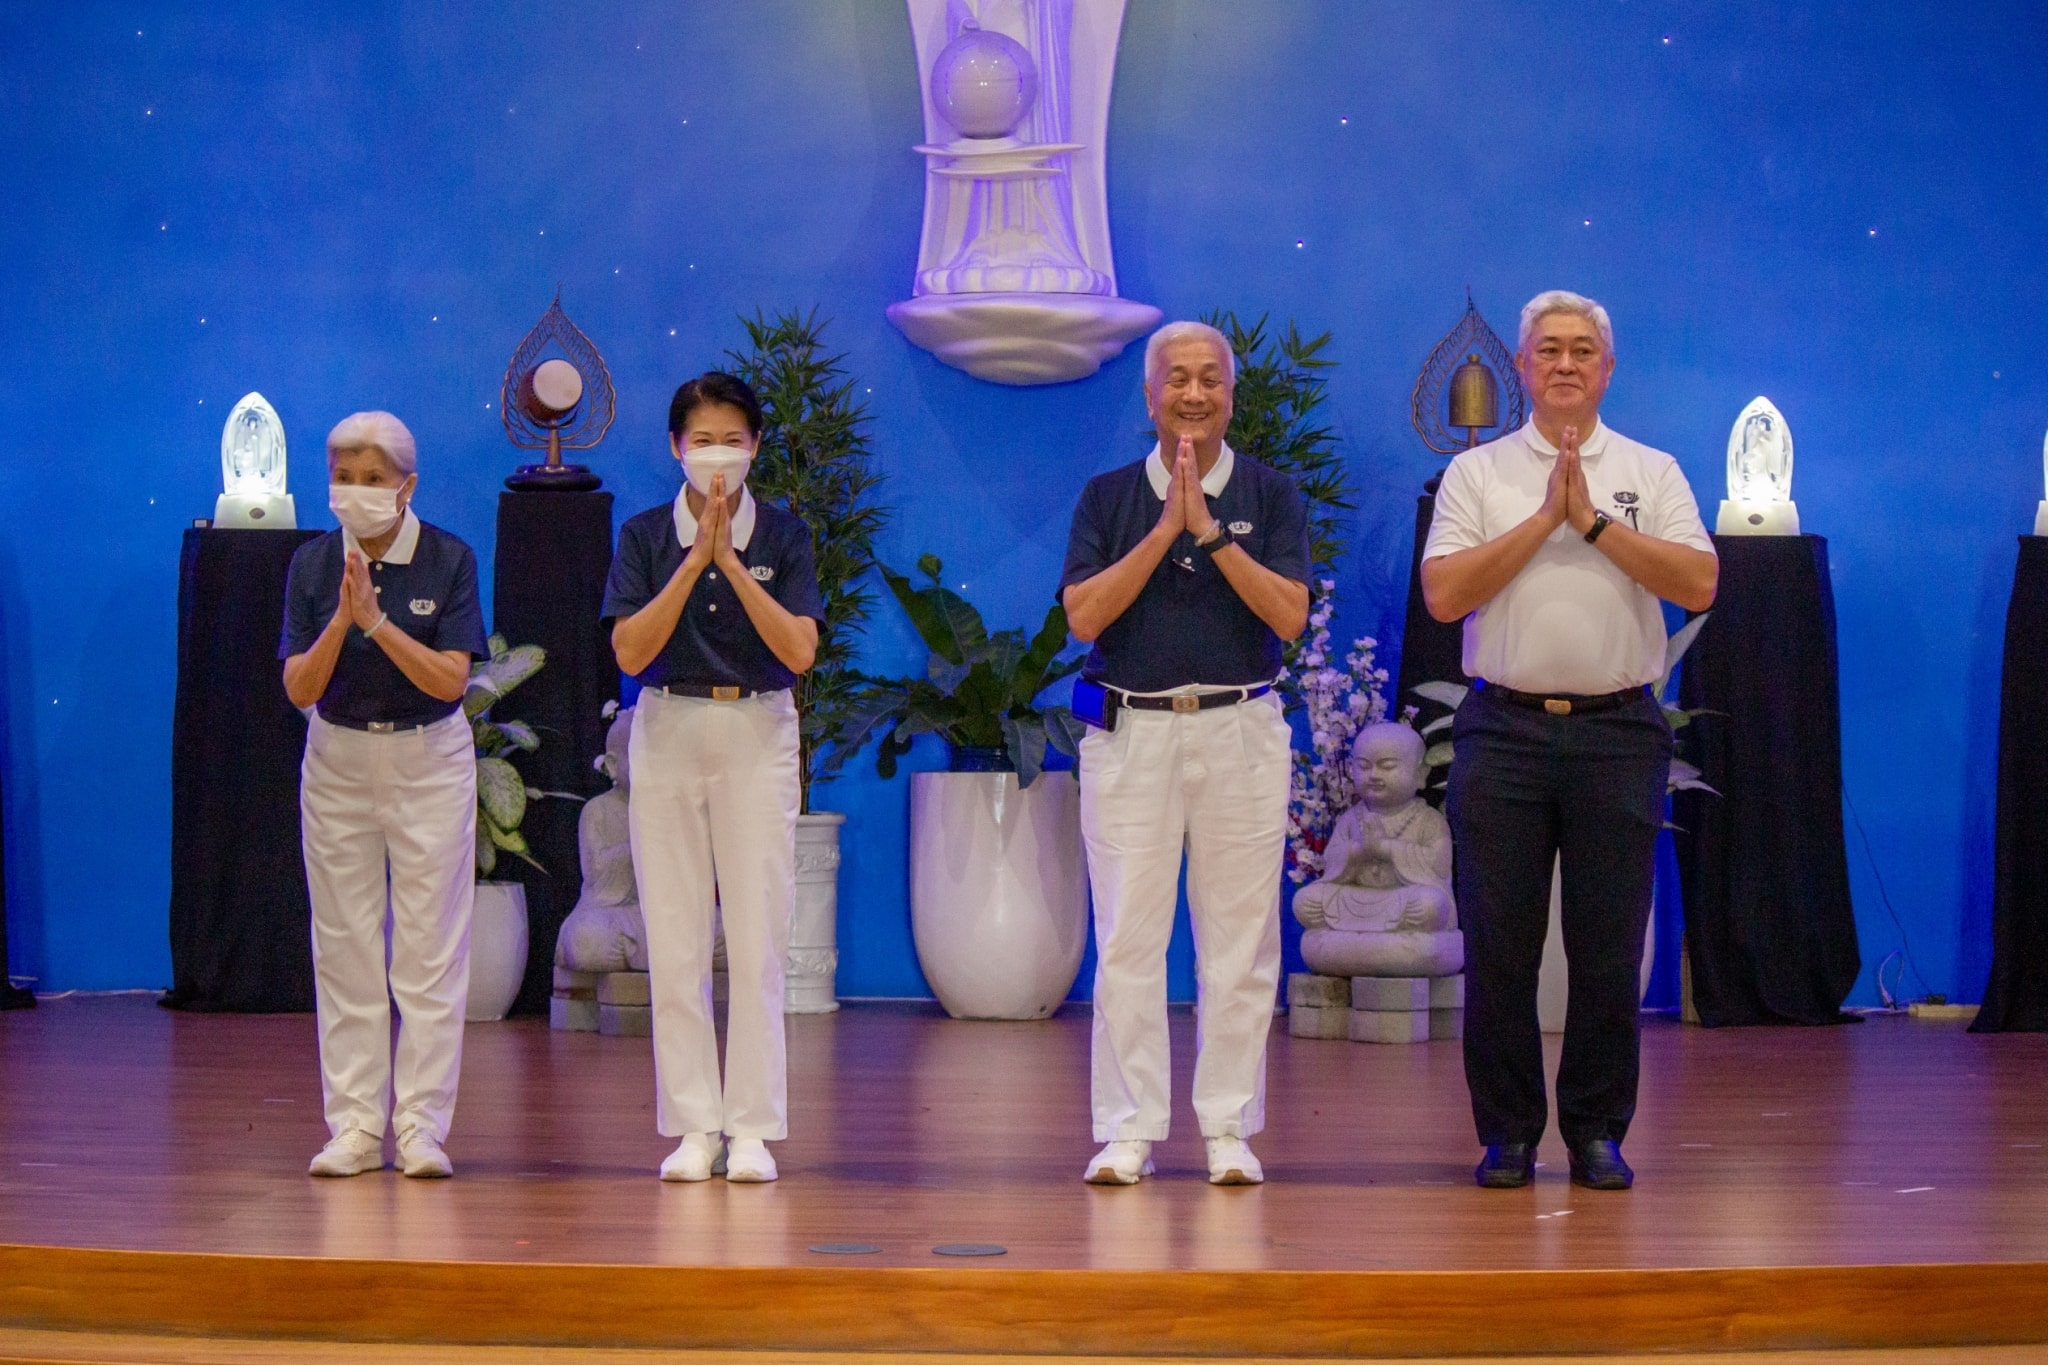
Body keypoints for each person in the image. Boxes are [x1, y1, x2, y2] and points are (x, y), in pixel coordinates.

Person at [1420, 290, 1718, 1191]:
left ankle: (1596, 1130)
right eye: (1547, 349)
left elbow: (1699, 582)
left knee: (1607, 943)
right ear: (1520, 368)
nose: (1564, 363)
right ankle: (1507, 1132)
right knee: (1501, 943)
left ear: (1608, 369)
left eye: (1582, 350)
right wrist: (1545, 516)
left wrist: (1591, 520)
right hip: (1503, 731)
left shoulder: (1651, 469)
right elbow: (1444, 595)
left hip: (1618, 731)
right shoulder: (1477, 476)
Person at [1059, 320, 1311, 1186]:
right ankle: (1128, 1129)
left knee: (1239, 942)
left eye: (1210, 379)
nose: (1194, 394)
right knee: (1128, 935)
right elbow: (1084, 616)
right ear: (1150, 395)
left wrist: (1210, 530)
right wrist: (1166, 528)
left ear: (1231, 393)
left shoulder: (1272, 494)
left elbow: (1288, 615)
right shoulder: (1107, 497)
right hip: (1132, 735)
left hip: (1239, 728)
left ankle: (1227, 1129)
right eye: (1178, 380)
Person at [603, 372, 824, 1184]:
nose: (718, 454)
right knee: (675, 932)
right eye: (702, 440)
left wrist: (730, 563)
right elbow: (629, 652)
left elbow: (799, 652)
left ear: (757, 445)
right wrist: (694, 559)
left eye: (733, 438)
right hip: (666, 727)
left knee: (761, 933)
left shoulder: (786, 538)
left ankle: (754, 1128)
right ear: (675, 448)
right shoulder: (643, 537)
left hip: (757, 728)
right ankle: (695, 1125)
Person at [282, 412, 487, 1179]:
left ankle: (423, 1127)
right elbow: (298, 684)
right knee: (345, 948)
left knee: (429, 951)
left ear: (408, 485)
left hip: (428, 758)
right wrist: (342, 617)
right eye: (342, 476)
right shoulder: (310, 565)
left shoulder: (448, 558)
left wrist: (379, 622)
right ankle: (357, 1126)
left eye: (372, 480)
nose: (355, 493)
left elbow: (450, 681)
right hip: (337, 757)